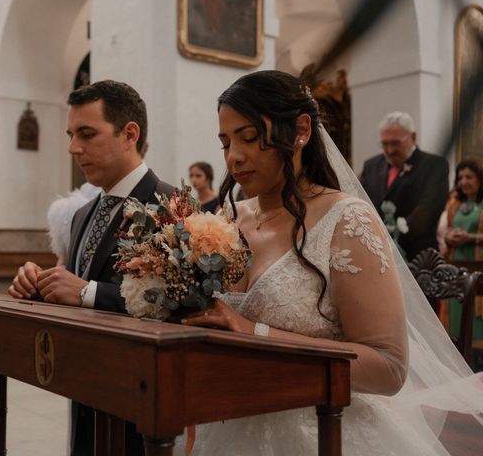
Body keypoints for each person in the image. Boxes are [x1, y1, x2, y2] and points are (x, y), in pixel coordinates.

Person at [178, 70, 483, 455]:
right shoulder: (227, 216)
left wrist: (254, 332)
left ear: (301, 130)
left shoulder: (347, 221)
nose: (234, 157)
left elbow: (389, 368)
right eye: (225, 143)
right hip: (225, 423)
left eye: (250, 137)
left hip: (322, 430)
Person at [8, 80, 173, 456]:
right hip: (83, 386)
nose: (73, 148)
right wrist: (38, 284)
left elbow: (178, 306)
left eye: (87, 134)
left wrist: (86, 292)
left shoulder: (170, 206)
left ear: (129, 134)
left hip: (140, 396)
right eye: (70, 134)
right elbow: (70, 284)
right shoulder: (83, 213)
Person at [360, 111, 449, 259]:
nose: (389, 150)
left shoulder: (434, 165)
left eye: (395, 143)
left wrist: (389, 238)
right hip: (376, 254)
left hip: (418, 258)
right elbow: (362, 203)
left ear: (413, 137)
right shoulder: (371, 166)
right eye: (384, 144)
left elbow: (427, 212)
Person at [437, 158, 483, 342]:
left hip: (479, 270)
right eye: (461, 177)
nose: (464, 181)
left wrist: (470, 238)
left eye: (469, 177)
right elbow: (443, 232)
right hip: (456, 269)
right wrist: (449, 238)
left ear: (480, 179)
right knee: (456, 317)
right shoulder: (454, 204)